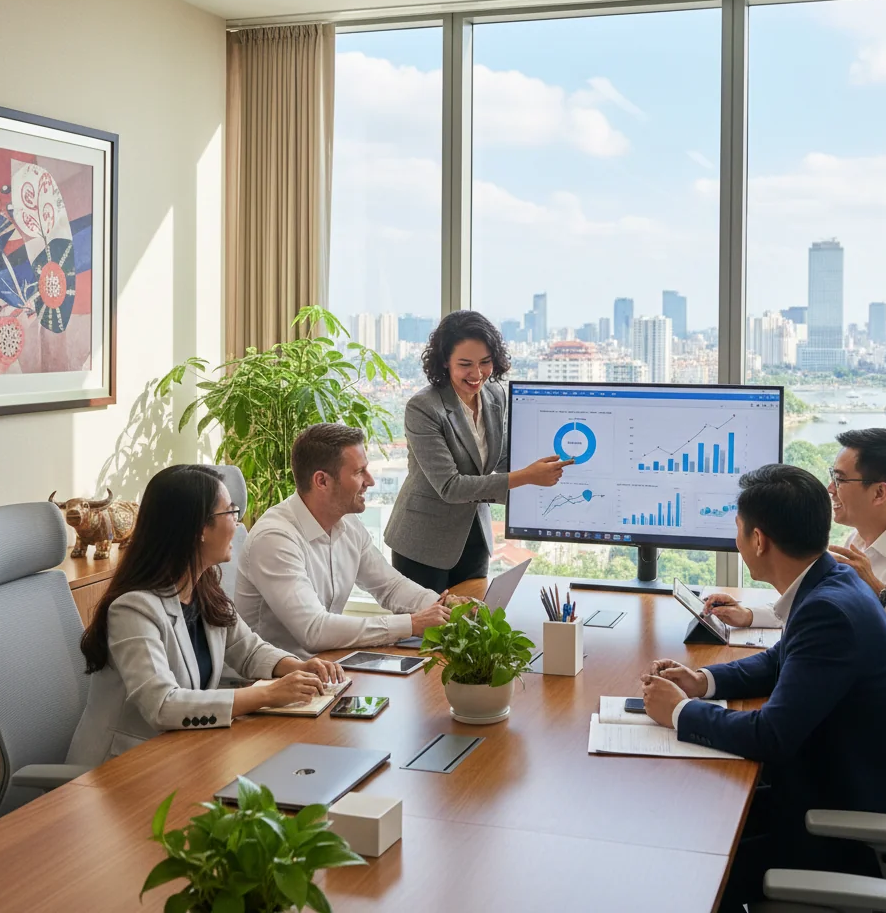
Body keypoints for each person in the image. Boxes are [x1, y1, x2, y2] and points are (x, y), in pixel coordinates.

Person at [640, 464, 886, 912]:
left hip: (870, 838)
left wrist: (678, 713)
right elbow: (779, 659)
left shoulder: (830, 610)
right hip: (841, 793)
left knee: (693, 871)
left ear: (758, 540)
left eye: (737, 528)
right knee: (696, 827)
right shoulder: (831, 581)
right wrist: (703, 681)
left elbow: (772, 736)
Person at [702, 428, 886, 769]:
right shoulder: (859, 541)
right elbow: (817, 604)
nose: (830, 489)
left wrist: (882, 593)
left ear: (879, 492)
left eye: (840, 479)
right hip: (864, 701)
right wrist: (750, 616)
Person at [67, 466, 343, 767]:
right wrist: (266, 695)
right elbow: (162, 705)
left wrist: (297, 667)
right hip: (119, 771)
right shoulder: (133, 610)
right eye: (230, 513)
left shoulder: (203, 588)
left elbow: (247, 650)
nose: (237, 524)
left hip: (181, 754)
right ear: (199, 529)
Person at [236, 423, 467, 658]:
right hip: (270, 682)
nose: (370, 481)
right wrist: (411, 624)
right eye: (359, 472)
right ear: (322, 481)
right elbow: (314, 630)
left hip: (325, 668)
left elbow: (390, 586)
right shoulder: (275, 539)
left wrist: (449, 608)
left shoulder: (348, 525)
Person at [384, 310, 573, 592]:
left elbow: (502, 458)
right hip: (423, 543)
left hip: (474, 537)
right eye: (465, 364)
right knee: (428, 633)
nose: (477, 374)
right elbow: (450, 487)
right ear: (445, 362)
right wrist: (528, 476)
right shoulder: (423, 408)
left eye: (485, 362)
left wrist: (556, 462)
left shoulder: (495, 395)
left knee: (474, 628)